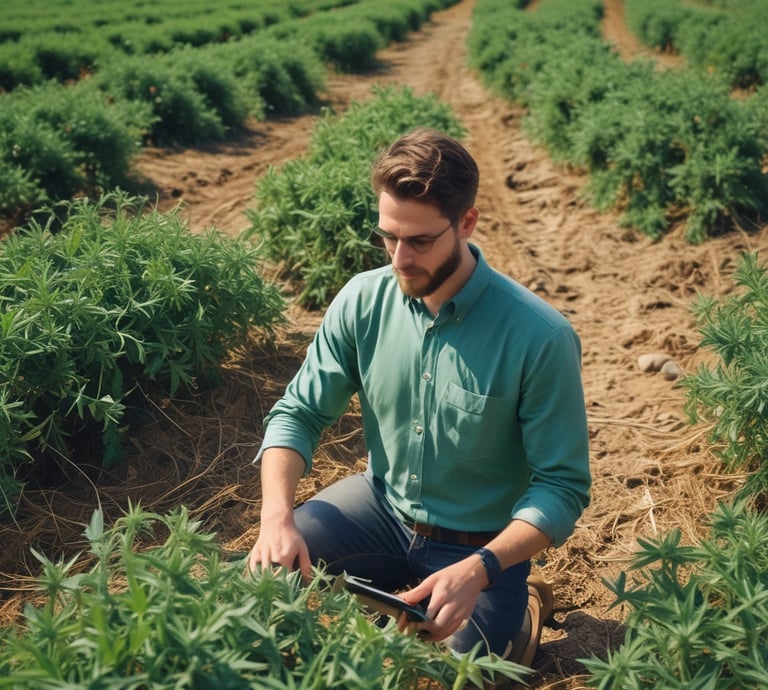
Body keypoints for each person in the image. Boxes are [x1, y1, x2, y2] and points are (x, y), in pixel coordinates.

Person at [248, 127, 591, 670]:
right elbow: (299, 412)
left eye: (420, 241)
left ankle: (520, 609)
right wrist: (275, 517)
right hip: (380, 508)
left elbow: (562, 487)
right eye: (388, 237)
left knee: (463, 672)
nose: (400, 258)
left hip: (477, 542)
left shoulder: (538, 337)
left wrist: (480, 567)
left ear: (467, 223)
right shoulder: (363, 300)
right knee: (265, 586)